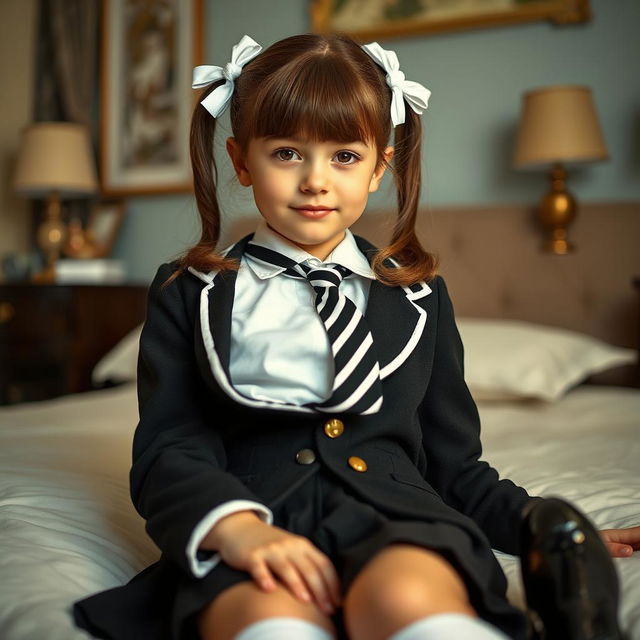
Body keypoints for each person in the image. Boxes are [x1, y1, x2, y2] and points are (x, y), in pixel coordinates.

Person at [73, 33, 640, 640]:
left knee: (409, 594)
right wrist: (235, 528)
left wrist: (533, 522)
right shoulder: (188, 289)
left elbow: (455, 466)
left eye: (344, 155)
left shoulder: (419, 295)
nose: (316, 180)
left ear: (379, 167)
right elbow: (170, 446)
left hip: (395, 516)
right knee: (267, 616)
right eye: (287, 153)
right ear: (241, 161)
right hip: (254, 518)